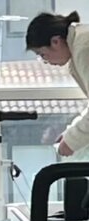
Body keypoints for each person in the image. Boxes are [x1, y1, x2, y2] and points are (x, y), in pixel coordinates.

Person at [26, 10, 89, 157]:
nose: (45, 61)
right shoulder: (79, 41)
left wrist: (72, 141)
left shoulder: (83, 49)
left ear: (55, 41)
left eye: (42, 54)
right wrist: (69, 134)